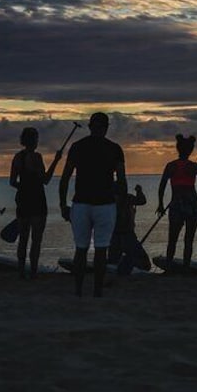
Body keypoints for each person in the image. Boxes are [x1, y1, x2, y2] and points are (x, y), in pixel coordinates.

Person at [59, 113, 127, 297]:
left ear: (90, 126)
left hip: (82, 204)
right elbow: (121, 181)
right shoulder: (114, 149)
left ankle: (79, 290)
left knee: (81, 249)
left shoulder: (78, 147)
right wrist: (121, 207)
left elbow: (65, 178)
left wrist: (63, 205)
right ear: (106, 127)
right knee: (100, 250)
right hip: (104, 205)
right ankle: (96, 291)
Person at [9, 127, 62, 279]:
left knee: (23, 239)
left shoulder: (17, 157)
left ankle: (21, 272)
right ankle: (33, 272)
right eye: (36, 138)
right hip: (37, 200)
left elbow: (12, 182)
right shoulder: (37, 157)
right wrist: (56, 161)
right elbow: (46, 180)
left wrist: (24, 188)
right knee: (36, 239)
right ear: (34, 140)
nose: (38, 141)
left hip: (23, 200)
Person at [157, 134, 197, 271]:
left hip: (177, 205)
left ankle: (169, 268)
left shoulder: (171, 166)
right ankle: (185, 268)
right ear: (190, 150)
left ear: (178, 149)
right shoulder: (193, 167)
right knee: (188, 240)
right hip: (192, 206)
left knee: (172, 239)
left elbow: (162, 186)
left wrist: (161, 204)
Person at [108, 183, 149, 270]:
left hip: (123, 235)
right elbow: (141, 201)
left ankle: (126, 264)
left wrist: (139, 191)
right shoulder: (127, 198)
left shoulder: (126, 198)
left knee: (113, 260)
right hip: (123, 235)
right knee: (144, 263)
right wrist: (139, 191)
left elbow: (141, 201)